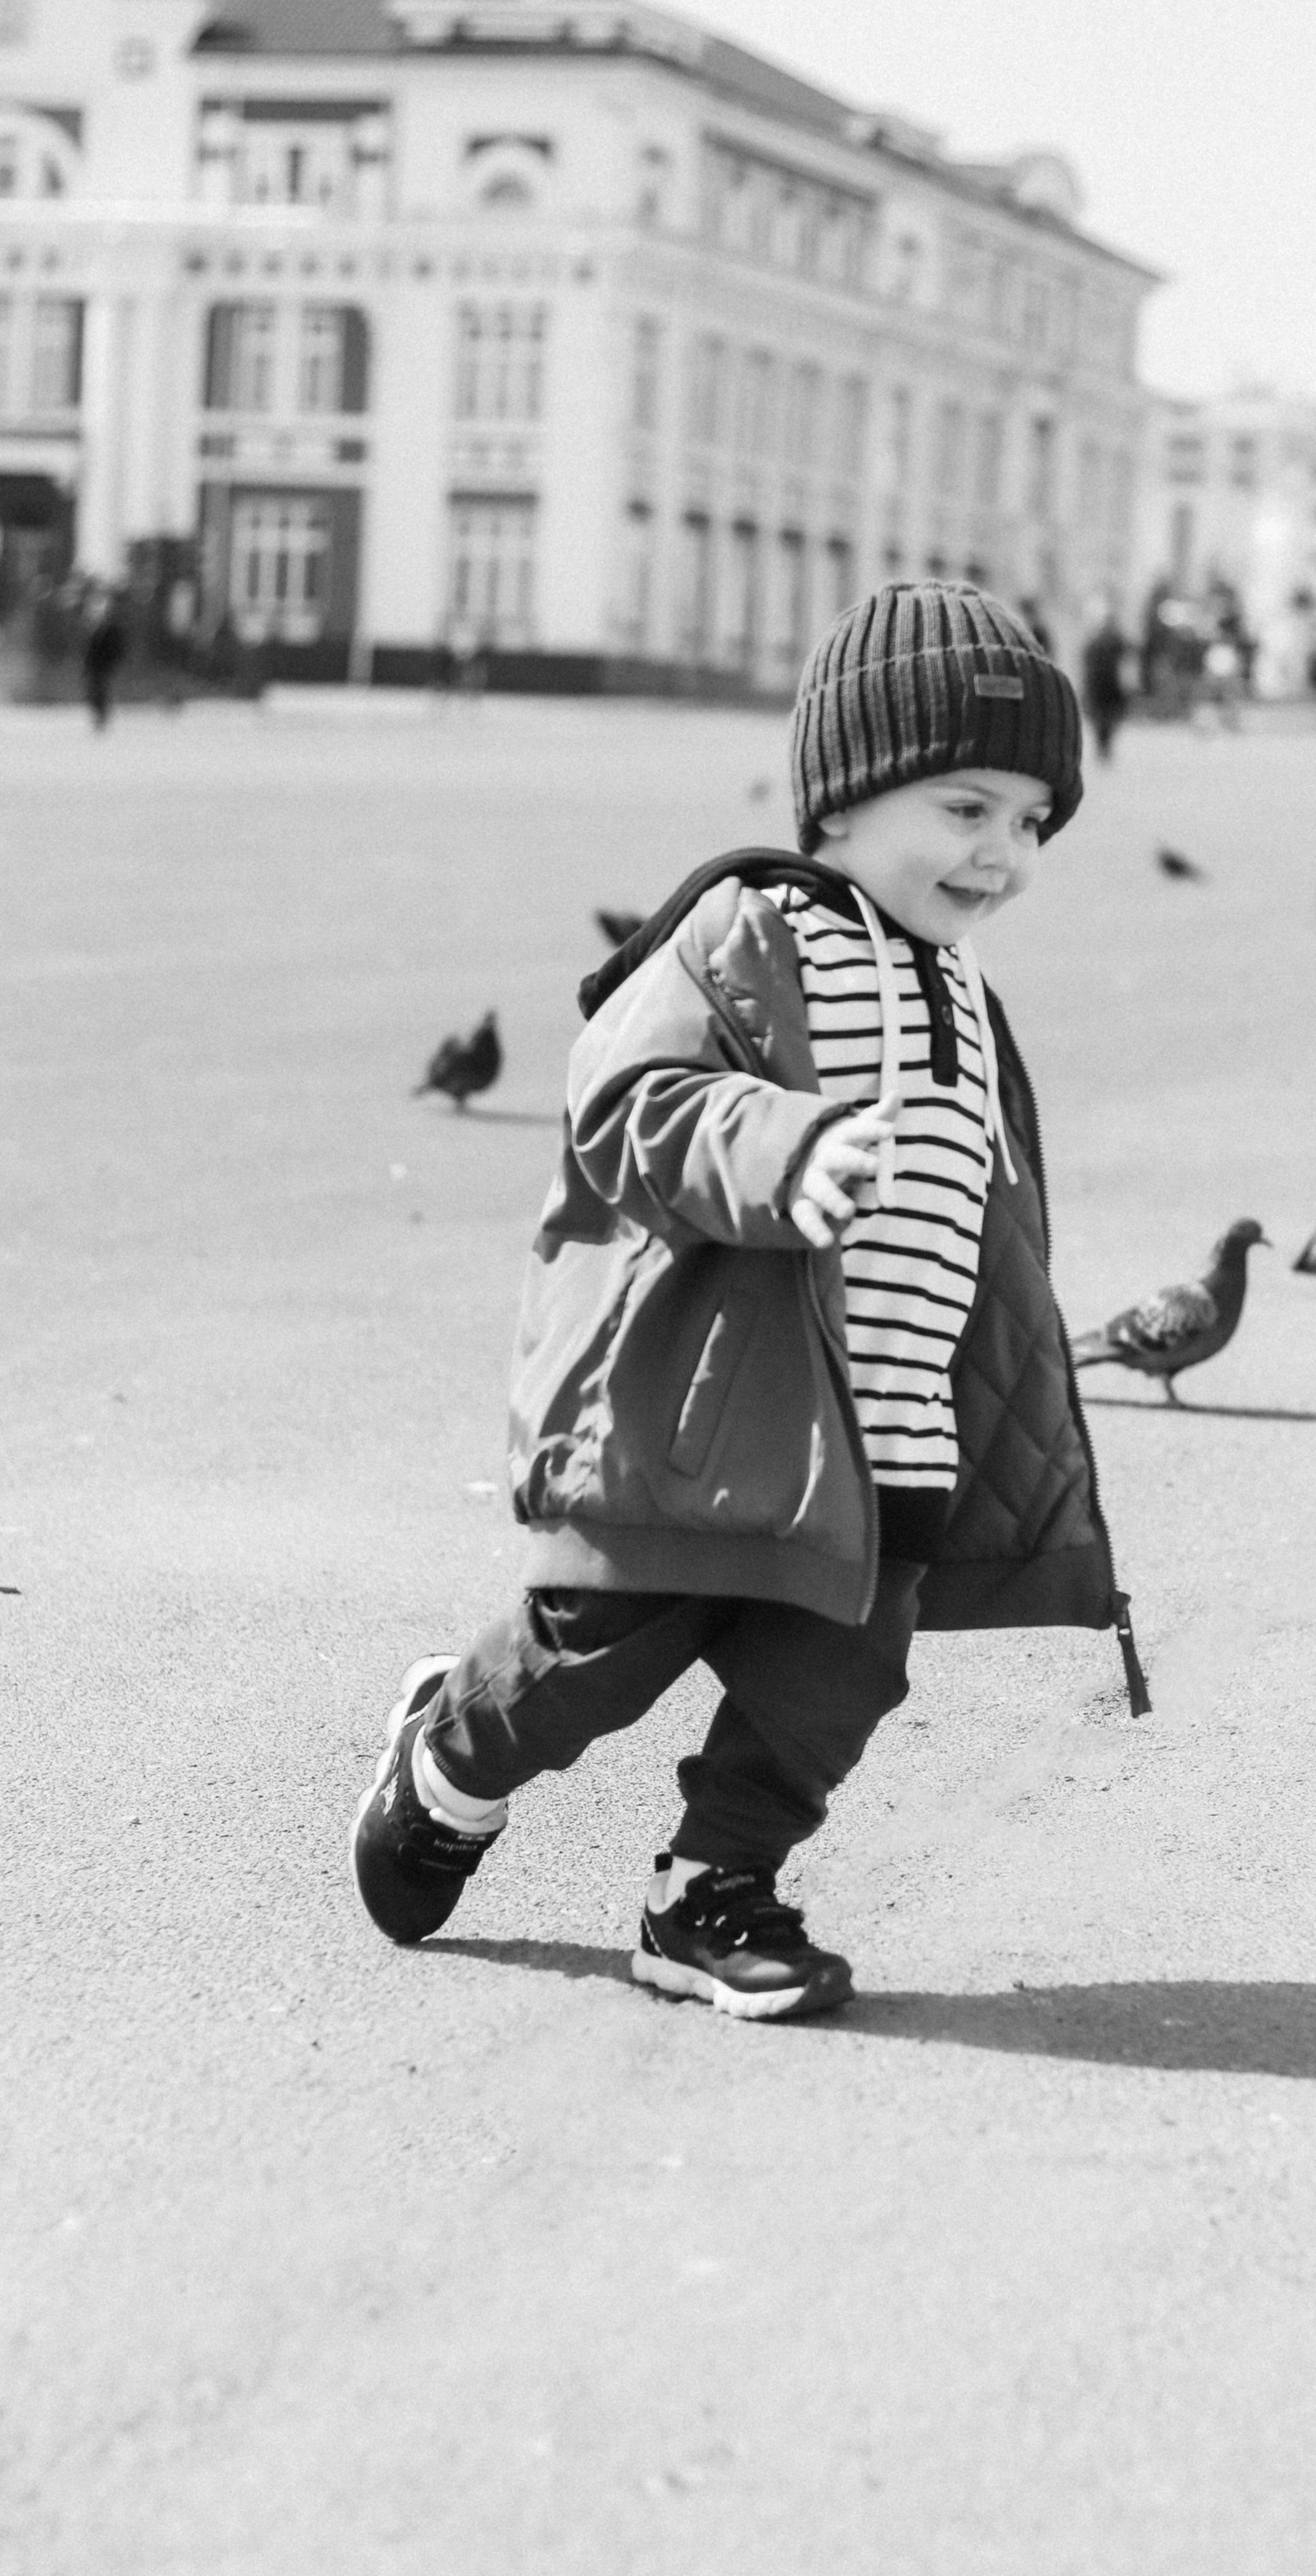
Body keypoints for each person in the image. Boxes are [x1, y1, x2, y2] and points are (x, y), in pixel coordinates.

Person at [351, 580, 1138, 2017]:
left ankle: (709, 1895)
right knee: (582, 1665)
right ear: (844, 799)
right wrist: (781, 1147)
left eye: (1031, 821)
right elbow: (630, 1102)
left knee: (828, 1692)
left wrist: (1008, 1432)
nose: (1001, 852)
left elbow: (981, 1229)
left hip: (892, 1441)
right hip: (711, 1422)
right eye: (964, 808)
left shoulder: (964, 995)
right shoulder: (742, 932)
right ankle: (451, 1752)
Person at [1081, 605, 1128, 760]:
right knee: (1104, 717)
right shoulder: (1106, 641)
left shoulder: (1103, 641)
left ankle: (1104, 746)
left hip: (1107, 683)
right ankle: (1104, 746)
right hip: (1104, 683)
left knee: (1105, 717)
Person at [82, 600, 126, 731]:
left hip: (106, 667)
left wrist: (112, 663)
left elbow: (117, 649)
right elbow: (90, 652)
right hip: (95, 668)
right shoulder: (95, 632)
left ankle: (103, 717)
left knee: (103, 692)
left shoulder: (113, 631)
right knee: (94, 693)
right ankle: (99, 716)